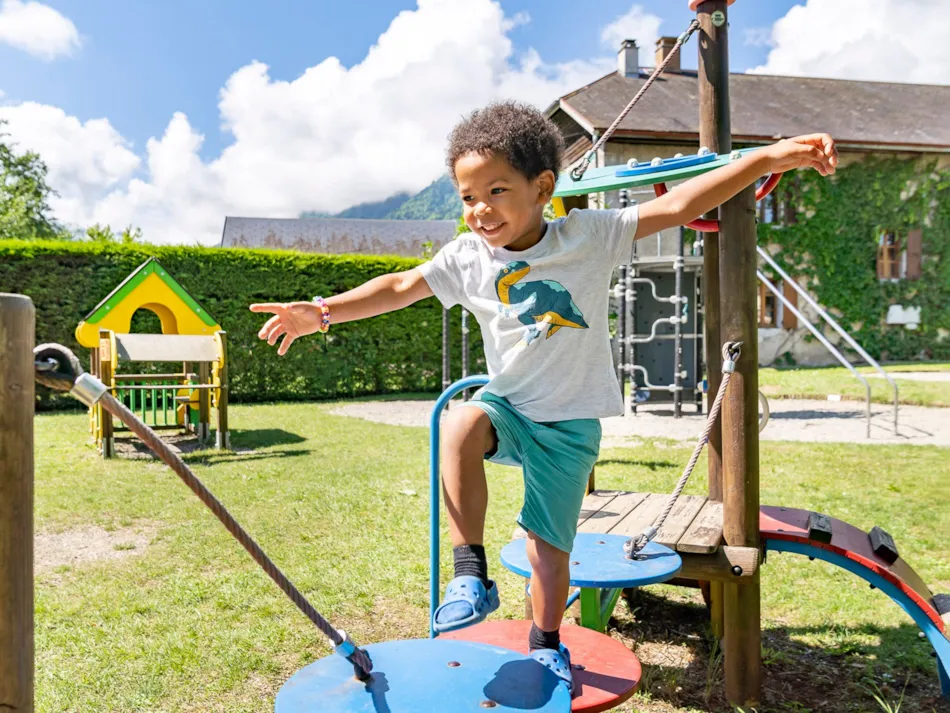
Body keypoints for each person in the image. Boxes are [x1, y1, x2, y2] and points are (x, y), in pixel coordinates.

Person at [250, 101, 837, 693]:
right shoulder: (467, 258)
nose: (480, 209)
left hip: (569, 427)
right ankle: (470, 574)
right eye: (467, 196)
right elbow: (401, 285)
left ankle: (547, 643)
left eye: (497, 191)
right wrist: (321, 312)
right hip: (508, 410)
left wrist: (768, 157)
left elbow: (678, 205)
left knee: (548, 553)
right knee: (459, 421)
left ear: (542, 187)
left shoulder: (589, 237)